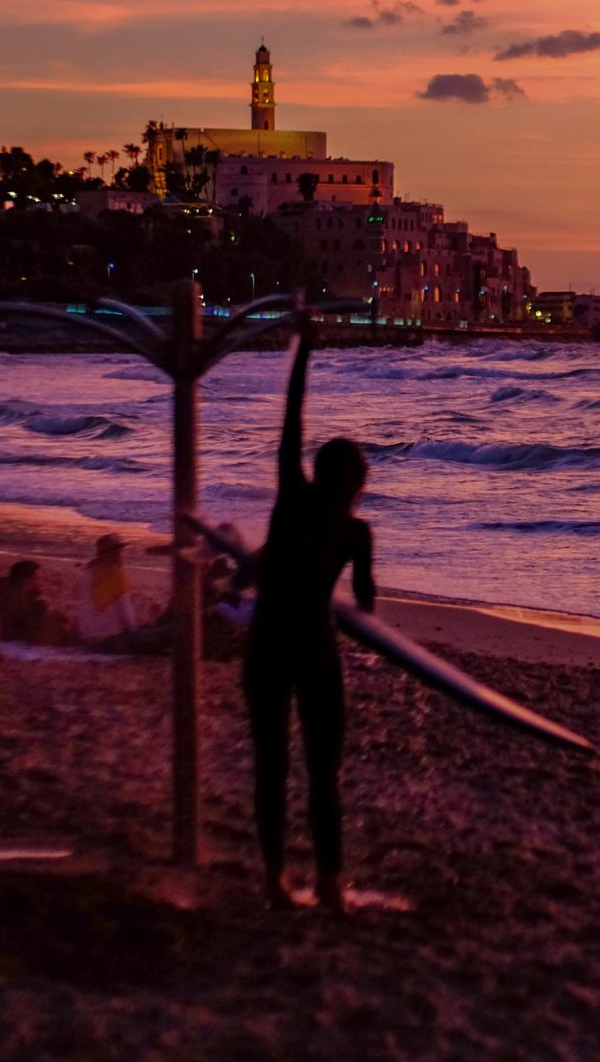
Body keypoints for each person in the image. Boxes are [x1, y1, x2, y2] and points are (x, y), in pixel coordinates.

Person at [244, 312, 376, 912]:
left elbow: (290, 423)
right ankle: (328, 882)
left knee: (271, 764)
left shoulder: (292, 498)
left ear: (316, 472)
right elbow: (368, 603)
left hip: (268, 643)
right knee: (324, 772)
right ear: (358, 485)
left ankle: (273, 878)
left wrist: (303, 349)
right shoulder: (356, 534)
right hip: (317, 651)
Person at [77, 534, 143, 641]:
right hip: (111, 637)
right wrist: (135, 631)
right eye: (119, 552)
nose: (121, 556)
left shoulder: (86, 573)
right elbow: (127, 617)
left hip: (87, 635)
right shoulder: (115, 575)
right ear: (113, 555)